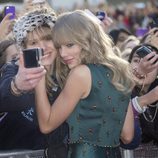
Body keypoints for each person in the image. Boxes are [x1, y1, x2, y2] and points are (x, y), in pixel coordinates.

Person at [21, 10, 135, 158]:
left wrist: (39, 74)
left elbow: (47, 125)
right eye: (59, 47)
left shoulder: (80, 74)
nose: (62, 53)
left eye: (69, 45)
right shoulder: (122, 70)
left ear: (88, 40)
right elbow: (127, 135)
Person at [0, 8, 68, 158]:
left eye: (48, 38)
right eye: (33, 42)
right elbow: (3, 96)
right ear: (22, 49)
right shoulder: (13, 69)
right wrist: (16, 86)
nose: (43, 47)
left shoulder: (69, 73)